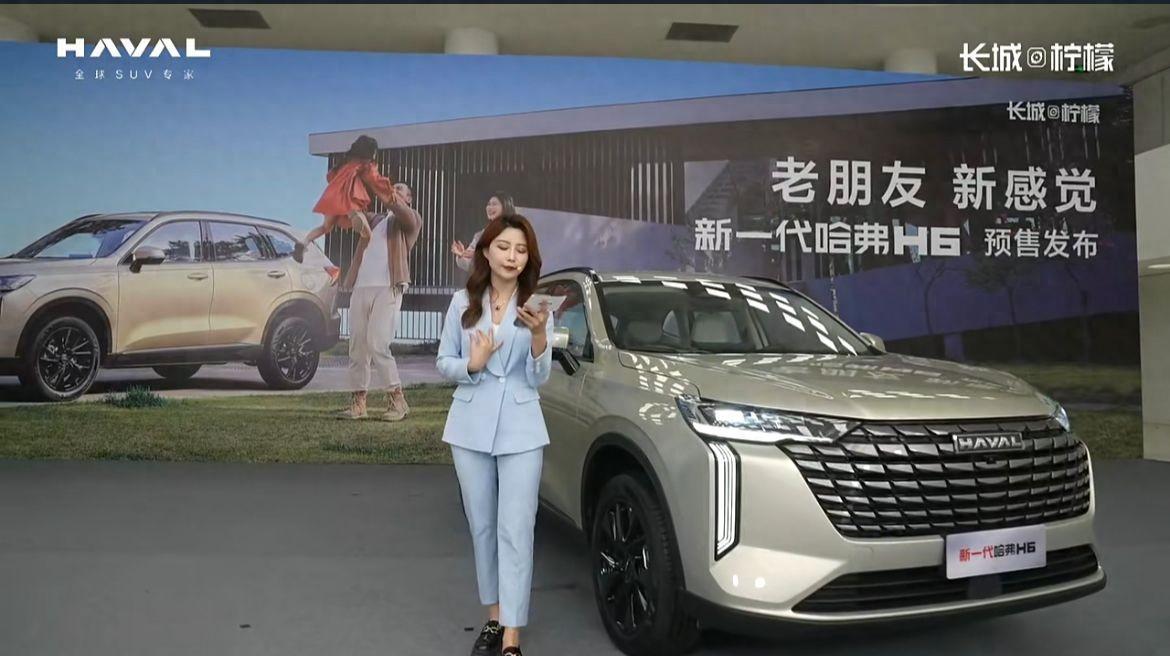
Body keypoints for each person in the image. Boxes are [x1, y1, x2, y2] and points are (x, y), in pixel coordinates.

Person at [436, 214, 553, 656]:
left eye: (521, 250)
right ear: (486, 251)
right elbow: (443, 362)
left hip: (522, 428)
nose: (512, 256)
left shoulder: (537, 306)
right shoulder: (461, 303)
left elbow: (538, 378)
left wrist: (539, 338)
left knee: (516, 529)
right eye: (504, 247)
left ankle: (512, 637)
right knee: (482, 528)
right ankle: (493, 618)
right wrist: (473, 364)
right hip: (470, 427)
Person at [336, 181, 422, 420]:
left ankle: (397, 401)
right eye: (393, 187)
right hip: (361, 287)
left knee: (378, 343)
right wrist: (348, 182)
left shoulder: (411, 219)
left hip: (388, 287)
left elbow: (398, 208)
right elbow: (351, 212)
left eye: (400, 189)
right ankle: (358, 404)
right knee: (357, 346)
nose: (394, 190)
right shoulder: (374, 220)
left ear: (409, 198)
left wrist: (385, 192)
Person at [297, 135, 396, 260]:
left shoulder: (345, 162)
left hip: (332, 196)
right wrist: (389, 190)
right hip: (349, 196)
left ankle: (304, 242)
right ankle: (356, 218)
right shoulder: (366, 163)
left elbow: (330, 176)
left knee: (325, 227)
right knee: (367, 232)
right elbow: (374, 179)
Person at [451, 191, 516, 272]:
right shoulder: (480, 235)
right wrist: (461, 254)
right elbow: (470, 265)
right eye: (488, 204)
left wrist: (479, 255)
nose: (489, 208)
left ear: (505, 206)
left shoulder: (515, 232)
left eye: (494, 204)